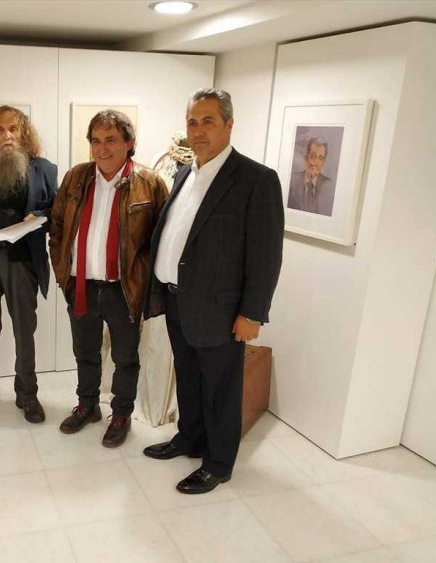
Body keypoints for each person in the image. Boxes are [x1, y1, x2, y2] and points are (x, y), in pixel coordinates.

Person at [143, 88, 284, 494]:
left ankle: (219, 464)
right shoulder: (186, 173)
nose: (198, 130)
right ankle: (190, 438)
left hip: (221, 311)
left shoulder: (256, 180)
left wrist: (252, 313)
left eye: (208, 121)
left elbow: (266, 255)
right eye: (192, 122)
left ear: (229, 124)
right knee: (188, 379)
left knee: (221, 390)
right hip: (177, 300)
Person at [49, 110, 168, 448]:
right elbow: (57, 228)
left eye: (111, 140)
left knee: (125, 358)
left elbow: (160, 240)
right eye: (96, 141)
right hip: (81, 286)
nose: (102, 148)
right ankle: (87, 406)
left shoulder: (150, 183)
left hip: (123, 289)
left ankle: (121, 414)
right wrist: (63, 275)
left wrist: (144, 281)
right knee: (84, 352)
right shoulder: (76, 177)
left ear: (129, 143)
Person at [0, 106, 57, 423]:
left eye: (13, 129)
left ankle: (27, 394)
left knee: (24, 331)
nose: (7, 136)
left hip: (23, 262)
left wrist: (40, 215)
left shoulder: (44, 169)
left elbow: (55, 211)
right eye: (0, 129)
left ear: (23, 133)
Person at [287, 136, 335, 216]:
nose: (315, 162)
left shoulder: (328, 186)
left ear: (323, 162)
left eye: (320, 158)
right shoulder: (292, 181)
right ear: (306, 157)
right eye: (312, 156)